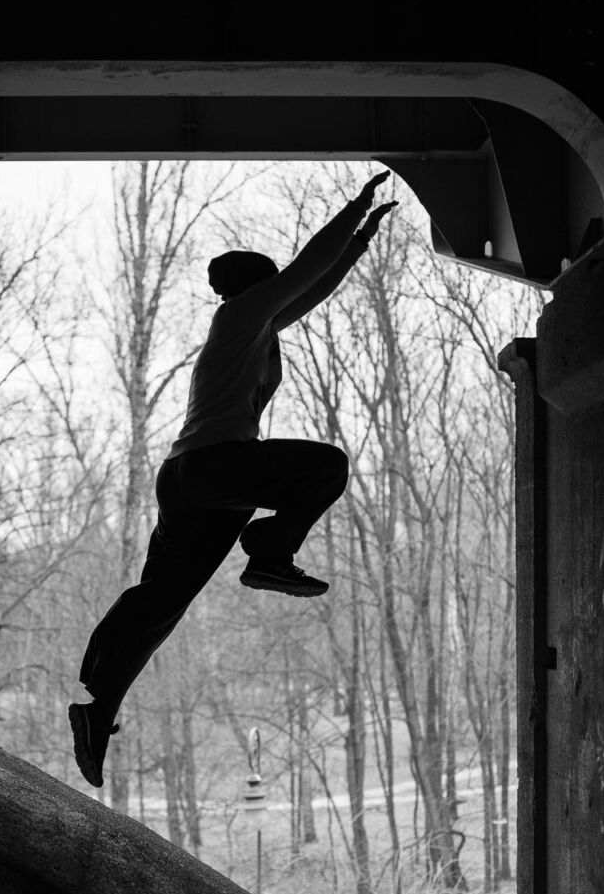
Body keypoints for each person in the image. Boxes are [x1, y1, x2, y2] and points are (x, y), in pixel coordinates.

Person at [69, 172, 398, 787]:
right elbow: (304, 270)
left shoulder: (255, 325)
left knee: (163, 598)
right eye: (273, 286)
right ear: (256, 286)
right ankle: (270, 552)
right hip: (216, 468)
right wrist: (353, 210)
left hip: (195, 480)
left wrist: (358, 244)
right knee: (326, 465)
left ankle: (97, 710)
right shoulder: (241, 314)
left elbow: (311, 289)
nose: (282, 295)